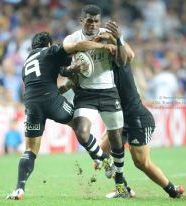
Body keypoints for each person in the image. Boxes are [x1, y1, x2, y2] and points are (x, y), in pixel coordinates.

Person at [6, 31, 117, 200]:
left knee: (30, 150)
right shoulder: (50, 51)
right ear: (49, 44)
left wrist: (70, 69)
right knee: (79, 127)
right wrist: (103, 45)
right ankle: (103, 158)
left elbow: (56, 73)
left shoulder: (27, 62)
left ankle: (19, 189)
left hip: (31, 105)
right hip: (52, 101)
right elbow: (76, 45)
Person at [91, 31, 185, 199]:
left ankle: (173, 191)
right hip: (120, 120)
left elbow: (129, 53)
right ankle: (123, 189)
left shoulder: (121, 63)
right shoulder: (101, 72)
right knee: (102, 152)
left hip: (138, 119)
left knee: (141, 163)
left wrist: (116, 39)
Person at [63, 5, 129, 198]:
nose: (93, 25)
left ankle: (120, 183)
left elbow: (122, 62)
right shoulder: (72, 39)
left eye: (96, 21)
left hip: (109, 92)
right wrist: (71, 69)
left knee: (116, 140)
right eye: (89, 20)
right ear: (81, 20)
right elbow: (63, 68)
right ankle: (103, 158)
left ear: (100, 21)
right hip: (85, 94)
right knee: (82, 132)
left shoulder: (108, 35)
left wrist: (119, 40)